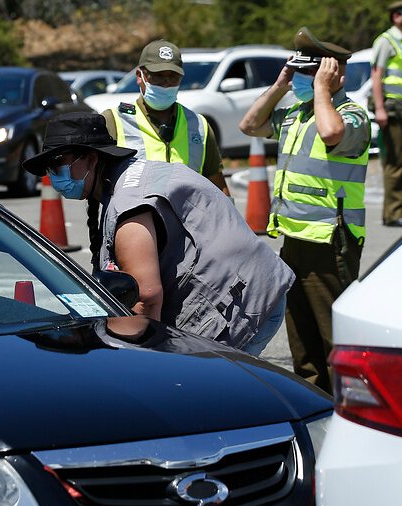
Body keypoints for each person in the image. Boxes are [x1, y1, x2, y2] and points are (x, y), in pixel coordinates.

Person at [23, 112, 294, 355]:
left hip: (247, 300)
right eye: (48, 168)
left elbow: (146, 296)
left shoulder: (128, 202)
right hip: (251, 284)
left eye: (58, 164)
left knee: (207, 393)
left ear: (91, 159)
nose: (53, 175)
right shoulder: (129, 176)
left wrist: (142, 359)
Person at [238, 27, 371, 392]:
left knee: (334, 337)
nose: (302, 81)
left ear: (334, 75)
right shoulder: (297, 114)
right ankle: (316, 402)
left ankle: (350, 407)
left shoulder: (352, 116)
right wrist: (281, 84)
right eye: (299, 72)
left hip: (331, 242)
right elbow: (249, 124)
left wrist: (322, 91)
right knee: (302, 339)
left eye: (309, 74)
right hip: (295, 240)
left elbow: (332, 134)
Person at [101, 40, 230, 196]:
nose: (166, 84)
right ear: (139, 76)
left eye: (173, 77)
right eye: (157, 76)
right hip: (135, 218)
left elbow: (216, 181)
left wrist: (230, 218)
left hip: (187, 219)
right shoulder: (114, 121)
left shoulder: (199, 125)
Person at [372, 1, 402, 228]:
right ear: (394, 16)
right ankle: (393, 213)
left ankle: (397, 210)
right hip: (394, 109)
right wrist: (380, 108)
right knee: (395, 162)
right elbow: (376, 75)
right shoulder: (386, 41)